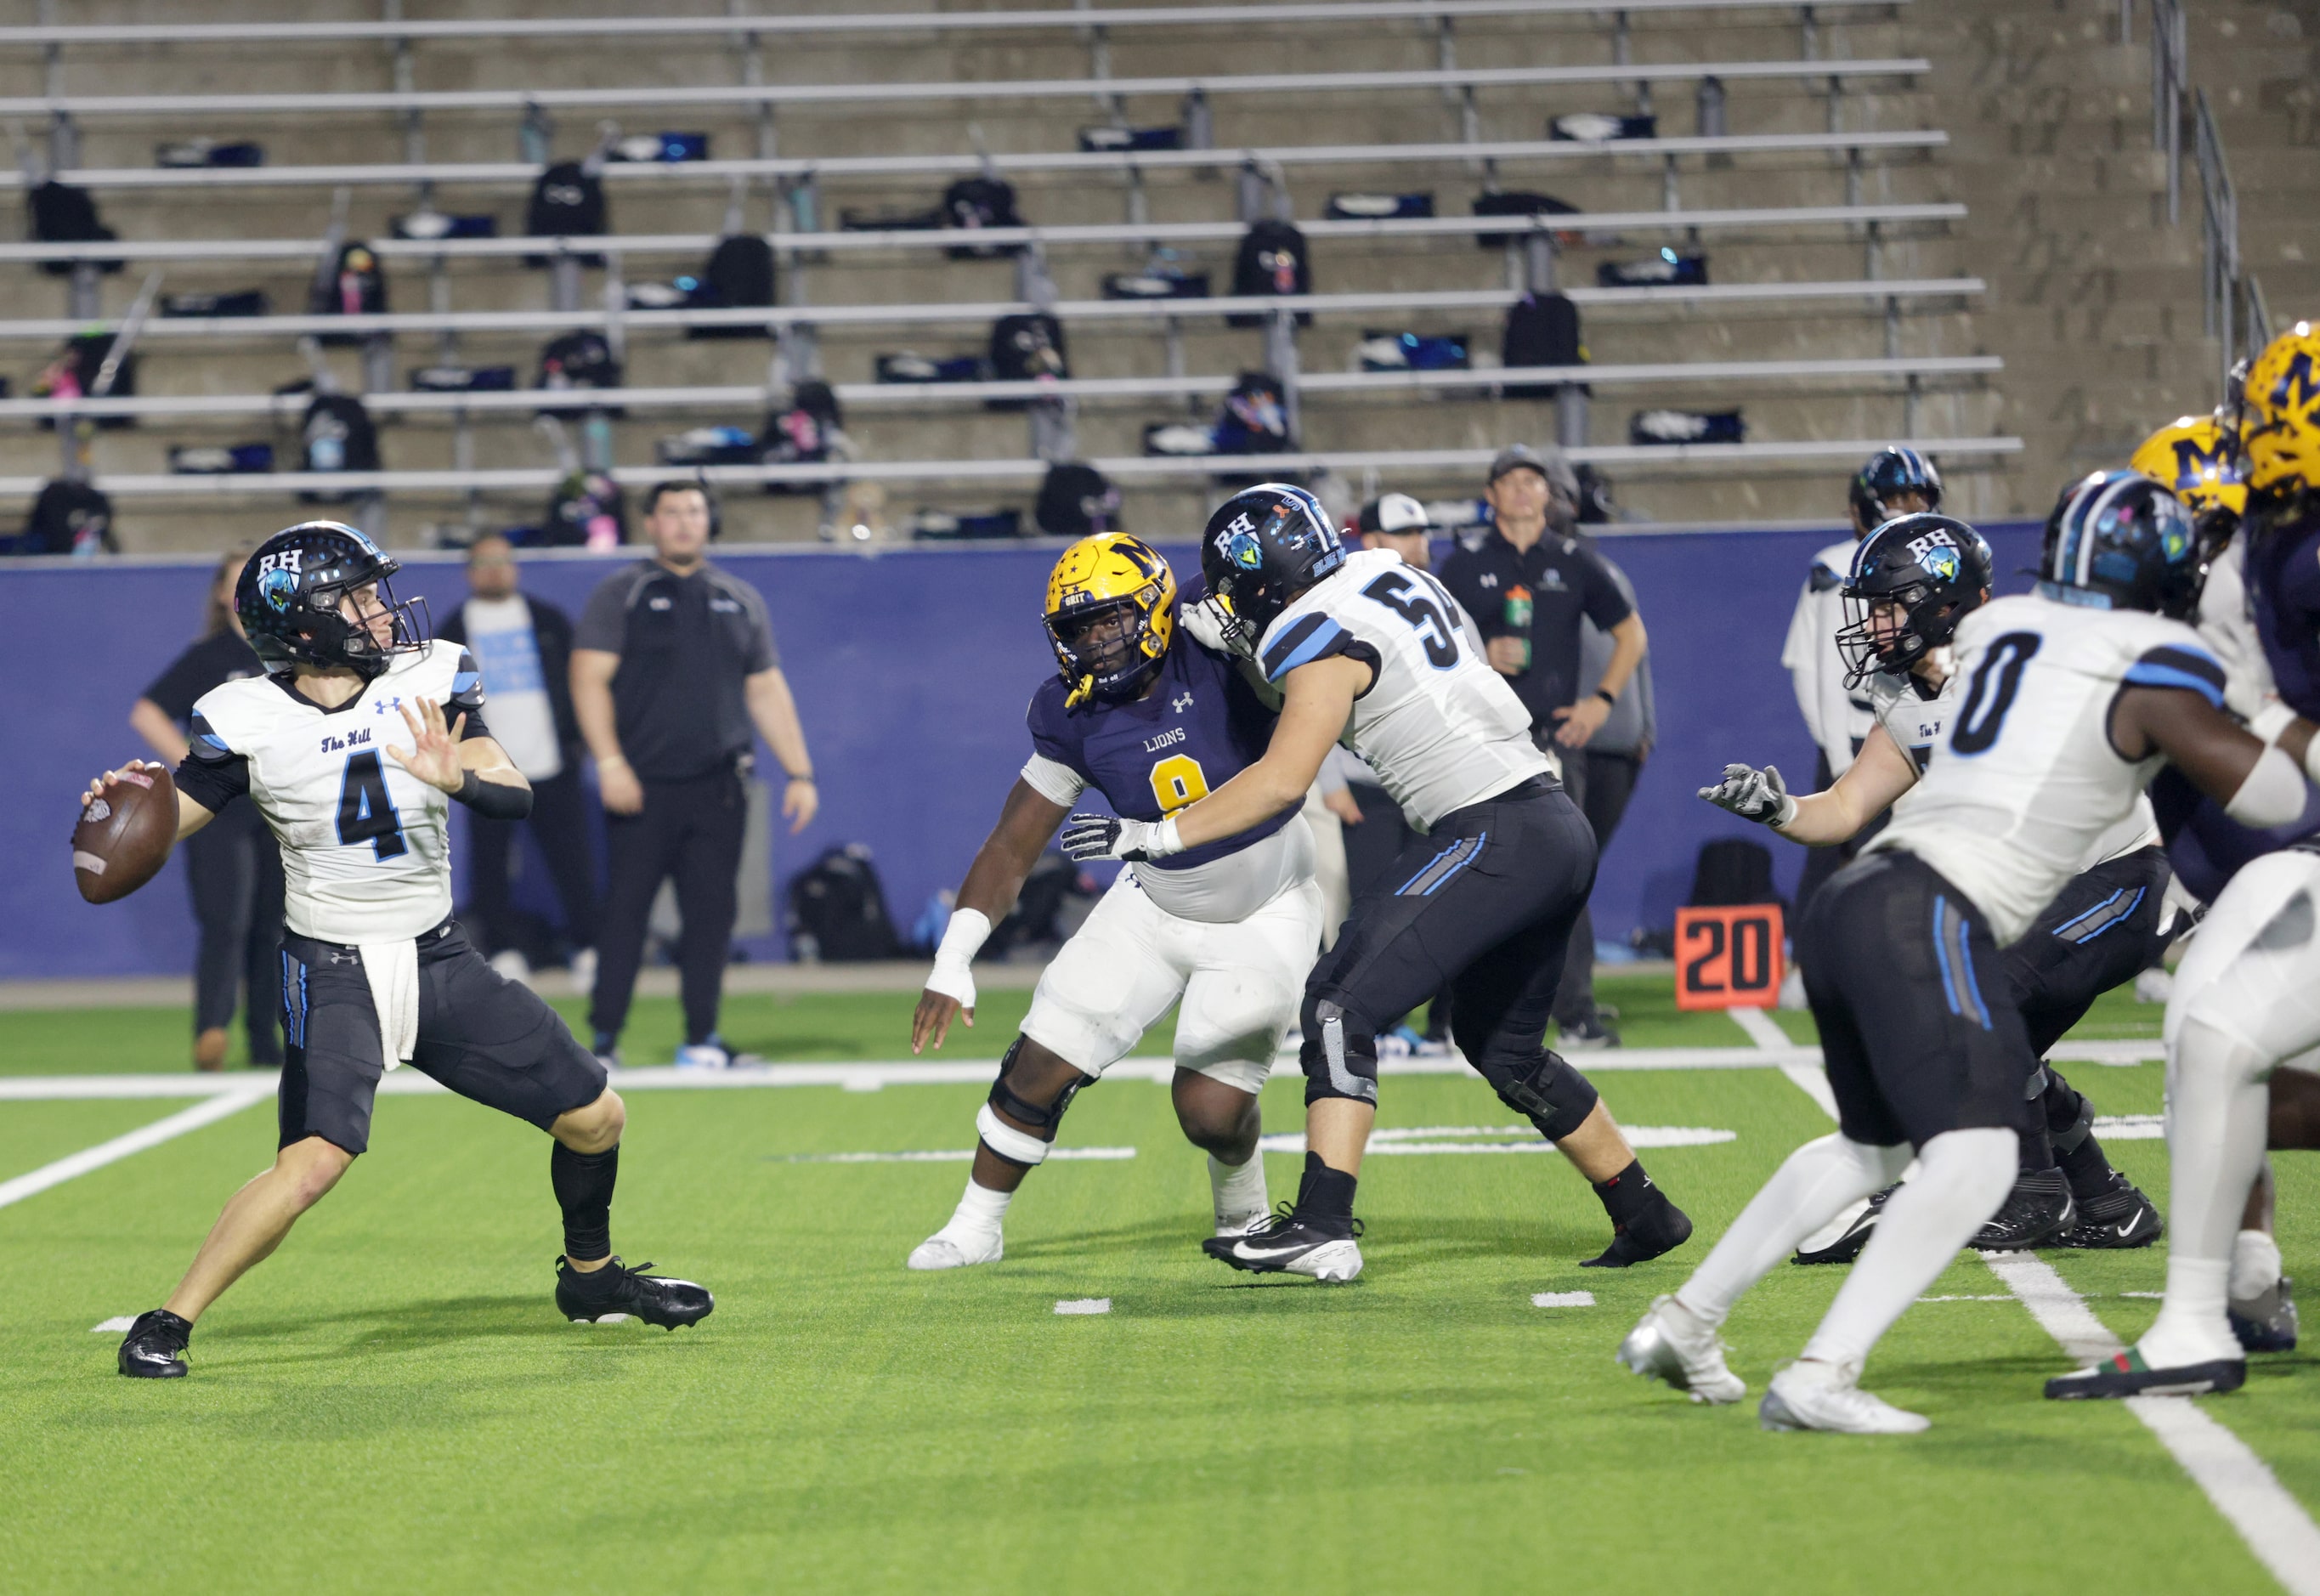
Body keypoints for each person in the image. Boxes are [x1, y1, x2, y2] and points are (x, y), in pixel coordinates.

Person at [1621, 473, 2312, 1431]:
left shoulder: (1998, 634)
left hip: (1859, 903)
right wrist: (2252, 697)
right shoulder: (2145, 651)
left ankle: (1687, 1320)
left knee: (1874, 1147)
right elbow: (2278, 800)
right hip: (1934, 907)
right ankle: (1824, 1372)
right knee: (1976, 1158)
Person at [95, 521, 711, 1380]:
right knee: (313, 1164)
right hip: (333, 965)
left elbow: (513, 796)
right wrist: (123, 815)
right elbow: (163, 832)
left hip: (438, 960)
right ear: (306, 620)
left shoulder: (430, 678)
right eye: (357, 596)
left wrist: (456, 776)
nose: (382, 610)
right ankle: (168, 1320)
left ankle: (592, 1279)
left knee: (596, 1117)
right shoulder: (249, 717)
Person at [1067, 484, 1692, 1282]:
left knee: (1337, 1003)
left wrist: (1150, 834)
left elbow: (1282, 778)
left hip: (1493, 825)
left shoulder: (1306, 628)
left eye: (1231, 585)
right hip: (1551, 819)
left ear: (1263, 574)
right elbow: (1357, 681)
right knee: (1504, 1048)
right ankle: (1644, 1209)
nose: (1226, 604)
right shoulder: (1383, 573)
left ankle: (1324, 1222)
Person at [1698, 512, 2164, 1259]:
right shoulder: (1910, 695)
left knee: (1981, 1003)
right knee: (1991, 1036)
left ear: (1942, 602)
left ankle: (2034, 1191)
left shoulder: (2018, 659)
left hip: (2119, 876)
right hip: (2038, 892)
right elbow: (1848, 806)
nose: (1873, 625)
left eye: (1887, 605)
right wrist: (1778, 807)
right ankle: (2106, 1200)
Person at [906, 533, 1323, 1269]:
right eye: (1078, 628)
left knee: (1211, 1111)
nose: (1096, 642)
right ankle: (976, 1225)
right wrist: (953, 958)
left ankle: (1244, 1214)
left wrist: (1250, 641)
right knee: (1038, 1064)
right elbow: (1011, 846)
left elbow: (1282, 570)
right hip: (1155, 902)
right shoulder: (1069, 714)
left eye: (1111, 620)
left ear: (1158, 607)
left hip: (1267, 904)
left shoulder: (1216, 636)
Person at [2049, 329, 2320, 1399]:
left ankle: (2216, 1304)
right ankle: (2224, 1295)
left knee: (2215, 1045)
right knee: (2213, 1050)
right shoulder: (2250, 567)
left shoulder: (2267, 566)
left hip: (2286, 853)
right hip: (2270, 864)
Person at [572, 482, 818, 1070]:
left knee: (712, 918)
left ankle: (702, 1039)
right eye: (672, 512)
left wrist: (800, 772)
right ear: (651, 523)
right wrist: (609, 763)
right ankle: (603, 1044)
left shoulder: (739, 599)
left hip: (720, 788)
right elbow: (586, 679)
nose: (685, 522)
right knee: (625, 915)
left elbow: (764, 687)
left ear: (711, 522)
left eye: (695, 512)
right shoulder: (623, 593)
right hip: (642, 787)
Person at [1439, 444, 1647, 1049]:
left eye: (1534, 481)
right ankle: (1460, 1011)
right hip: (1481, 739)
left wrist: (1600, 702)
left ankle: (1574, 1010)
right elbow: (1432, 645)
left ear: (1546, 494)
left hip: (1552, 739)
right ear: (1491, 494)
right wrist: (1481, 655)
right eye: (1512, 480)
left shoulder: (1573, 560)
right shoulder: (1463, 562)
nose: (1525, 491)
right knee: (1472, 868)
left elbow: (1630, 632)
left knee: (1567, 874)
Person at [129, 549, 284, 1072]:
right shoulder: (209, 657)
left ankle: (266, 1040)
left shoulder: (289, 652)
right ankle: (212, 1030)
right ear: (222, 595)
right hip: (221, 813)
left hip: (279, 811)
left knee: (275, 927)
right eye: (235, 580)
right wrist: (196, 769)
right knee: (227, 922)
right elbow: (147, 711)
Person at [1779, 449, 1944, 933]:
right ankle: (1806, 965)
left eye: (1917, 497)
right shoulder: (1840, 566)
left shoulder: (1942, 558)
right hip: (1864, 729)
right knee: (1835, 850)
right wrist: (1836, 755)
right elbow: (1825, 670)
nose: (1907, 506)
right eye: (1895, 497)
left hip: (1926, 722)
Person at [438, 533, 599, 988]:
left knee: (574, 864)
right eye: (483, 561)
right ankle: (505, 951)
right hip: (487, 770)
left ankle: (588, 948)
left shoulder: (548, 621)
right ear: (470, 571)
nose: (494, 569)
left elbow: (577, 685)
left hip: (552, 765)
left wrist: (579, 742)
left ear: (516, 568)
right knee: (491, 867)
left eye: (502, 561)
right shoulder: (453, 633)